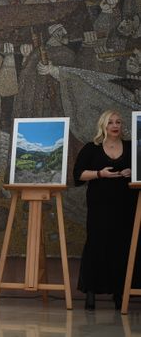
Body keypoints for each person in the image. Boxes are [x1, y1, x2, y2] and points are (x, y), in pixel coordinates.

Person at [73, 110, 136, 310]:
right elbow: (78, 175)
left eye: (118, 122)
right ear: (103, 125)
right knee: (96, 245)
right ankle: (90, 292)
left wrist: (132, 172)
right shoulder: (92, 148)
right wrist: (100, 174)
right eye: (111, 122)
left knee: (123, 247)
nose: (115, 125)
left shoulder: (132, 147)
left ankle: (120, 293)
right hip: (99, 206)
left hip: (126, 205)